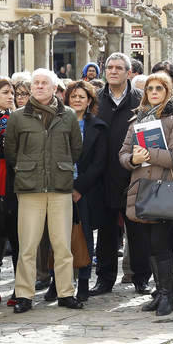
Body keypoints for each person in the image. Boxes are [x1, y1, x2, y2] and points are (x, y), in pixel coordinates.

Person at [5, 68, 83, 313]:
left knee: (62, 245)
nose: (39, 87)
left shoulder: (68, 115)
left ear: (53, 87)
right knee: (28, 245)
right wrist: (27, 169)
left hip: (60, 187)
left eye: (44, 83)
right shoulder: (18, 117)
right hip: (29, 188)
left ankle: (65, 293)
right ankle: (25, 295)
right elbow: (11, 151)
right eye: (35, 83)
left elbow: (76, 149)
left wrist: (61, 168)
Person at [119, 72, 173, 316]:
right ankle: (159, 292)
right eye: (150, 89)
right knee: (148, 244)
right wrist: (132, 159)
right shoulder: (137, 119)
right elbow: (123, 153)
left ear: (168, 91)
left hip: (165, 187)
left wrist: (147, 153)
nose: (153, 93)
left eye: (159, 88)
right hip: (140, 188)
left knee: (162, 244)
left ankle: (168, 295)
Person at [92, 53, 147, 296]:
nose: (113, 71)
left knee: (138, 231)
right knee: (105, 233)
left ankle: (141, 278)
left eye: (119, 68)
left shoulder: (140, 100)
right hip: (102, 176)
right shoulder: (95, 99)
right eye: (109, 67)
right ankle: (104, 280)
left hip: (133, 174)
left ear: (128, 72)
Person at [65, 81, 108, 302]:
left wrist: (79, 187)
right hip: (61, 188)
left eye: (82, 96)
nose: (77, 100)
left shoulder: (98, 127)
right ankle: (59, 283)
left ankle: (83, 282)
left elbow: (99, 163)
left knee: (85, 237)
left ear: (89, 100)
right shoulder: (58, 123)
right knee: (59, 237)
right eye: (73, 96)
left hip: (87, 190)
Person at [0, 77, 16, 305]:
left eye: (12, 93)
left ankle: (20, 289)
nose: (10, 96)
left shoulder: (18, 119)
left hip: (16, 183)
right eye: (5, 92)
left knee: (18, 237)